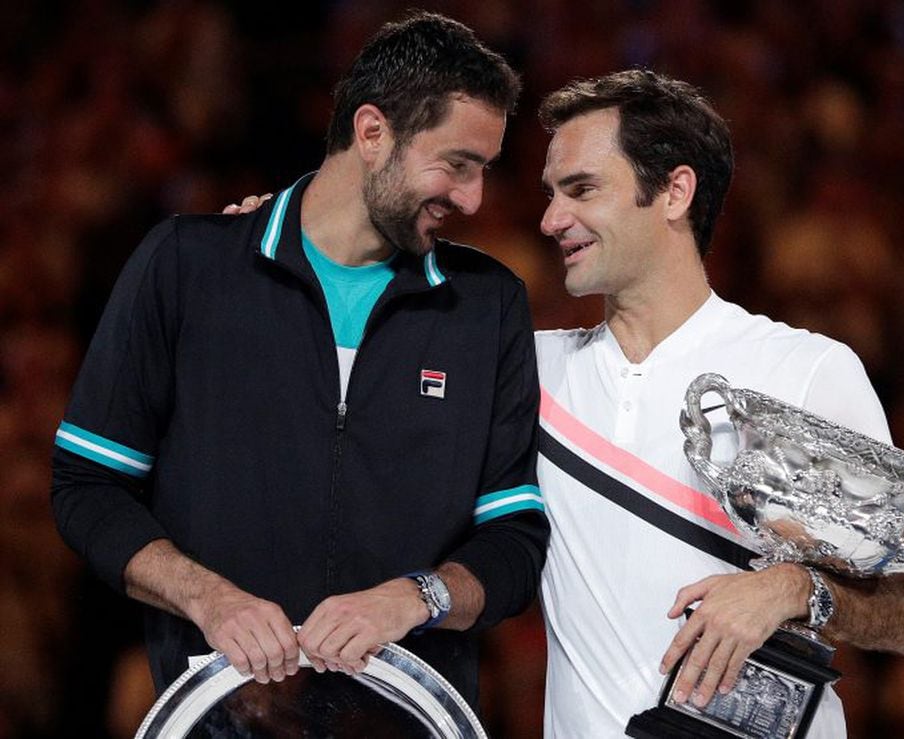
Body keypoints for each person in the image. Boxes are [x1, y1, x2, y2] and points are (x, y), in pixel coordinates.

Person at [50, 12, 548, 709]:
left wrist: (417, 597)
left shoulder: (487, 304)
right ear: (372, 133)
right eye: (456, 165)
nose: (472, 198)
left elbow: (514, 539)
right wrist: (209, 599)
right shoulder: (188, 267)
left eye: (483, 170)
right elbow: (88, 486)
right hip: (219, 716)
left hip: (403, 721)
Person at [533, 70, 904, 737]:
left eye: (581, 189)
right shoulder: (531, 369)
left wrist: (791, 590)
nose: (550, 219)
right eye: (549, 194)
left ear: (673, 191)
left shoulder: (803, 370)